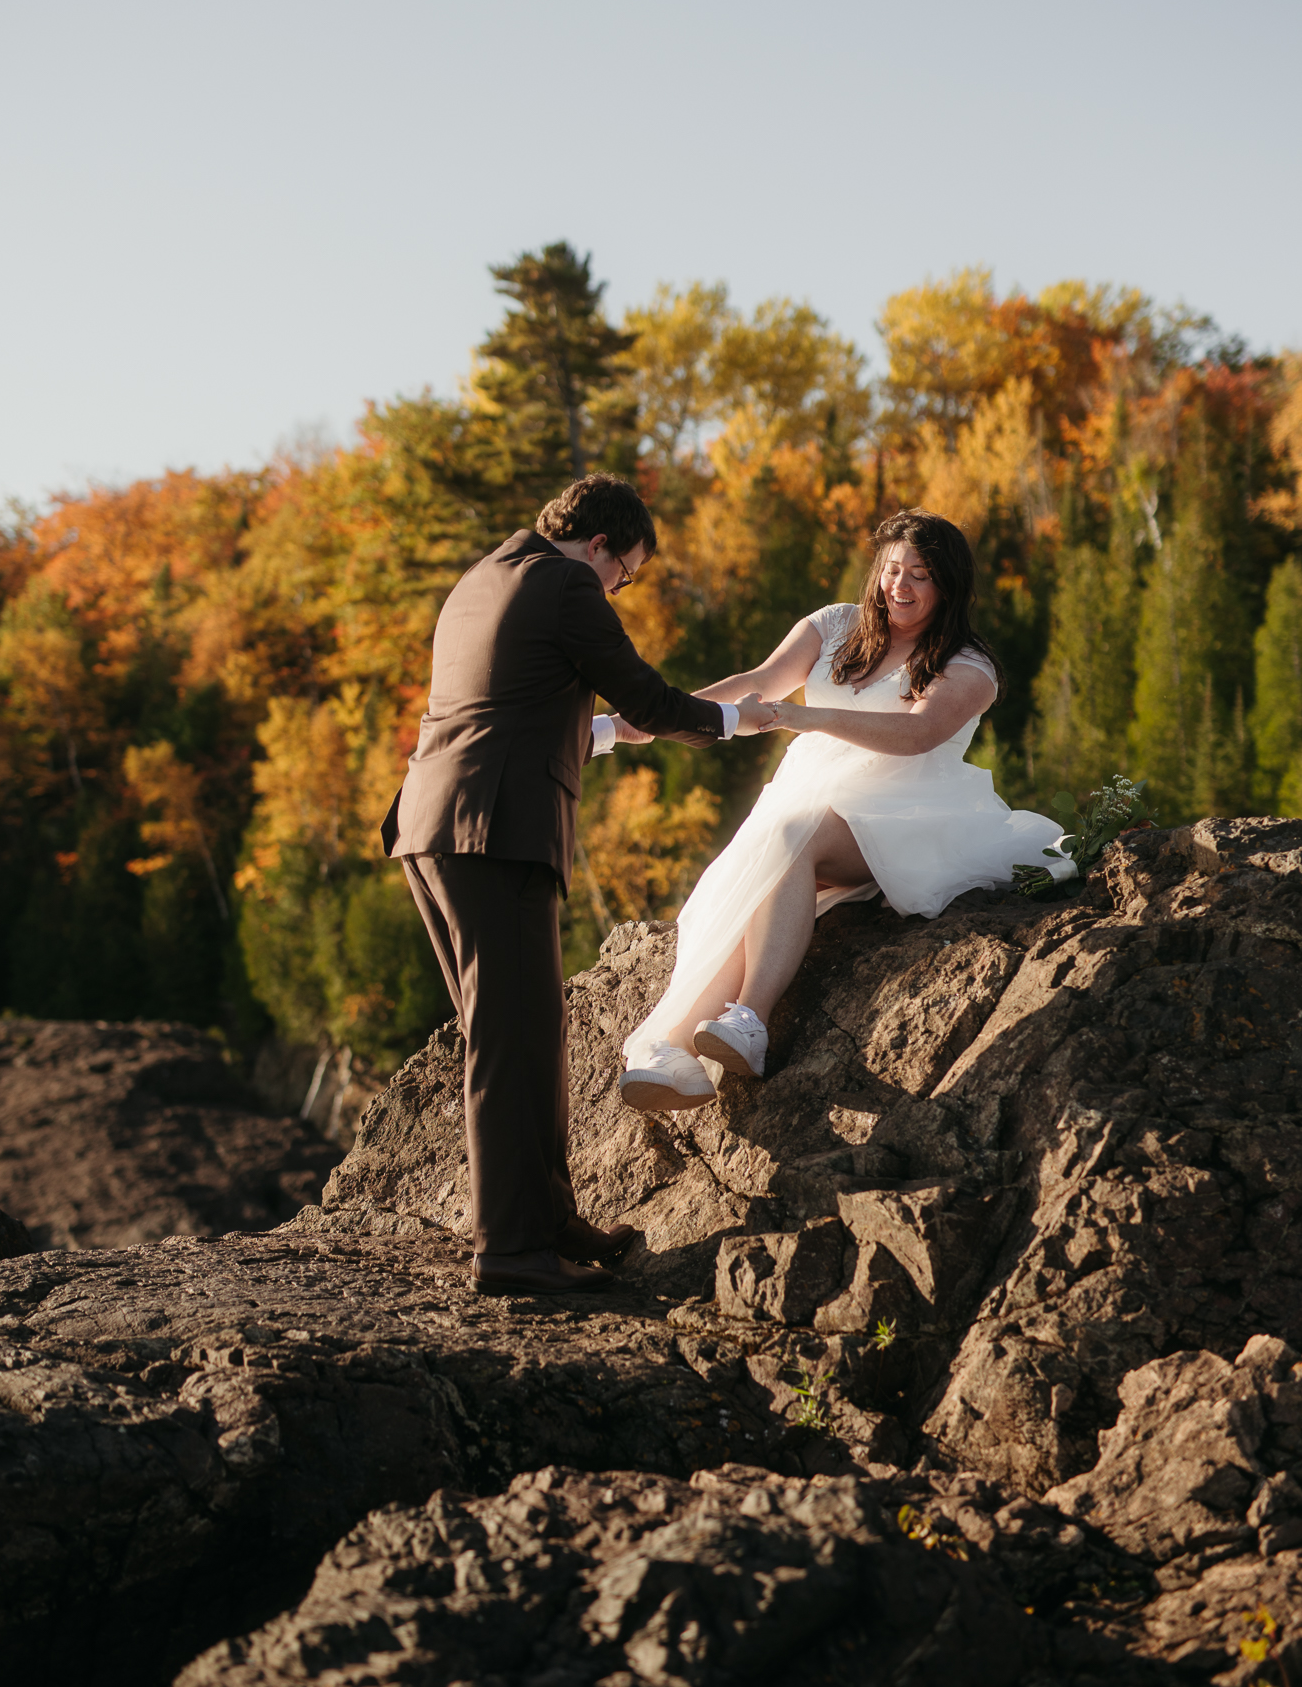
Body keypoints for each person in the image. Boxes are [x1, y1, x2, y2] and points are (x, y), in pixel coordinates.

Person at [383, 473, 773, 1294]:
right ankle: (512, 1250)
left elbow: (508, 702)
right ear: (600, 545)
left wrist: (602, 734)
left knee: (522, 1031)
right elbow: (648, 695)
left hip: (433, 824)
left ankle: (548, 1218)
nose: (617, 588)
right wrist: (737, 719)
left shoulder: (485, 577)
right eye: (624, 574)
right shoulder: (566, 581)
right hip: (495, 831)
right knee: (513, 1037)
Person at [619, 509, 1073, 1111]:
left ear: (949, 586)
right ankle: (678, 1049)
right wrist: (655, 717)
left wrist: (813, 717)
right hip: (812, 802)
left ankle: (751, 1018)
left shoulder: (970, 665)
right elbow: (761, 680)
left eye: (921, 575)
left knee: (791, 836)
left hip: (909, 817)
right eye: (892, 570)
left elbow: (918, 734)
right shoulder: (836, 625)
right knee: (760, 866)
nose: (900, 587)